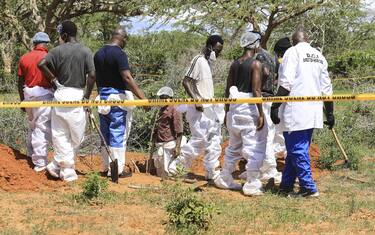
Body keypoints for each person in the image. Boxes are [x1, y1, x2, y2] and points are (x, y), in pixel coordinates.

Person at [270, 29, 334, 198]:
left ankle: (308, 187)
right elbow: (327, 88)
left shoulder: (292, 52)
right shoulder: (319, 56)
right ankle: (286, 185)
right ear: (308, 39)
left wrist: (275, 106)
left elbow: (286, 82)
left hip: (295, 111)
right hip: (312, 112)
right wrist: (330, 113)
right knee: (294, 149)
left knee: (297, 150)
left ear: (293, 41)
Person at [38, 21, 96, 182]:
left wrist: (55, 81)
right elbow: (92, 75)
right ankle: (67, 170)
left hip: (60, 94)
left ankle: (57, 164)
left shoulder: (56, 51)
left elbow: (41, 64)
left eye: (60, 35)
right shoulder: (85, 51)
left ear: (64, 35)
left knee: (60, 133)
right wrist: (87, 96)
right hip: (77, 95)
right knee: (76, 135)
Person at [214, 31, 267, 196]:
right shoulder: (255, 64)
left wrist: (226, 111)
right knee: (253, 146)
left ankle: (224, 178)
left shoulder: (234, 63)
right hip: (248, 108)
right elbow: (257, 91)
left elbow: (227, 89)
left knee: (234, 146)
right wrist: (261, 114)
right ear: (256, 44)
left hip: (234, 108)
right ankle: (251, 184)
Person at [168, 35, 225, 181]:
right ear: (210, 47)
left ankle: (211, 171)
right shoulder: (198, 60)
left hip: (208, 108)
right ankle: (176, 168)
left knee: (213, 139)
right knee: (199, 139)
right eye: (217, 50)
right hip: (198, 108)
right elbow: (186, 81)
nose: (217, 53)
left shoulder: (207, 63)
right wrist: (196, 100)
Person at [94, 28, 147, 178]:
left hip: (102, 99)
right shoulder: (119, 54)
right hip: (117, 99)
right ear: (123, 39)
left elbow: (96, 77)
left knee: (105, 135)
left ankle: (106, 167)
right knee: (118, 134)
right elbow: (127, 78)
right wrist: (142, 98)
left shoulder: (98, 53)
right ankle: (117, 170)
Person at [17, 32, 53, 172]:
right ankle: (40, 163)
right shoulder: (48, 57)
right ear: (46, 43)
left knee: (32, 126)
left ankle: (32, 156)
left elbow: (20, 82)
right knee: (42, 128)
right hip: (44, 96)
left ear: (34, 43)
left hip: (28, 96)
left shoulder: (24, 58)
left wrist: (22, 101)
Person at [152, 86, 184, 178]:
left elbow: (179, 130)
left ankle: (169, 183)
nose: (162, 100)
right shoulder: (161, 109)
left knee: (167, 168)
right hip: (160, 142)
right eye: (161, 98)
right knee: (158, 164)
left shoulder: (175, 109)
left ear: (170, 98)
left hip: (169, 142)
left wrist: (177, 147)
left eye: (164, 98)